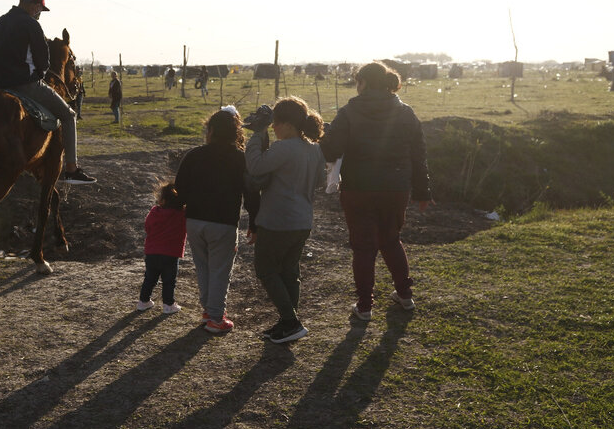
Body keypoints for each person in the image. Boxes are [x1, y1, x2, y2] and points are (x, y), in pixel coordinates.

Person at [320, 61, 432, 321]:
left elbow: (331, 151)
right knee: (391, 239)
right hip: (396, 188)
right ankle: (405, 295)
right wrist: (423, 191)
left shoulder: (349, 112)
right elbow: (419, 153)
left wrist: (324, 134)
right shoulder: (405, 112)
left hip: (359, 188)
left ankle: (365, 306)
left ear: (363, 83)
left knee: (363, 247)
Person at [0, 0, 96, 184]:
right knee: (68, 115)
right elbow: (43, 60)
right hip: (25, 84)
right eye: (40, 9)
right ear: (34, 5)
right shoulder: (31, 24)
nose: (39, 13)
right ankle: (72, 169)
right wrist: (40, 74)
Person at [245, 97, 326, 344]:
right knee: (290, 271)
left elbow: (255, 166)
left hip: (277, 221)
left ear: (288, 124)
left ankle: (291, 322)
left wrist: (257, 135)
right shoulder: (314, 148)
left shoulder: (284, 147)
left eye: (275, 124)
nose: (273, 128)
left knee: (266, 269)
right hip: (302, 221)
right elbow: (321, 182)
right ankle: (288, 321)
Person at [175, 107, 256, 334]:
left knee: (203, 267)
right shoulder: (241, 159)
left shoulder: (193, 155)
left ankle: (208, 311)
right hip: (223, 223)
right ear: (235, 132)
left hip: (194, 221)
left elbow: (179, 189)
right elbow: (250, 192)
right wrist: (254, 221)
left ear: (210, 130)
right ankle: (216, 318)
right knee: (220, 270)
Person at [137, 182, 187, 314]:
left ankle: (143, 301)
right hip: (171, 253)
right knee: (169, 281)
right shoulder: (182, 214)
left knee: (149, 278)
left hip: (152, 251)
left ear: (162, 200)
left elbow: (147, 227)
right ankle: (168, 304)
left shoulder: (154, 212)